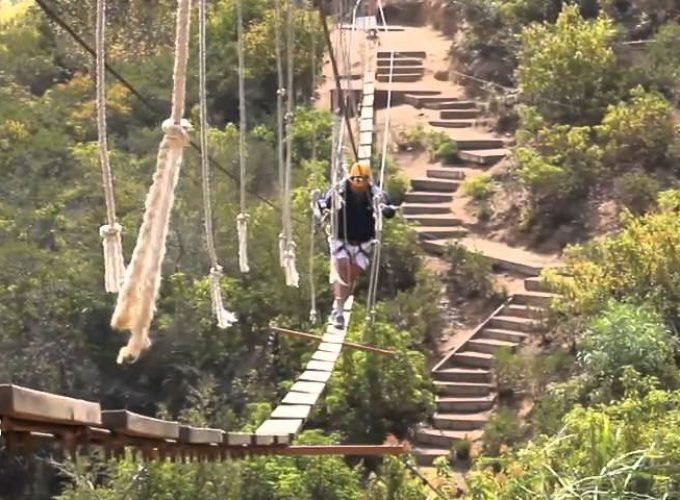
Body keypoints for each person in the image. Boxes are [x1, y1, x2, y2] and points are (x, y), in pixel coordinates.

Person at [315, 162, 396, 329]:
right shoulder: (339, 189)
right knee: (343, 269)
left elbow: (387, 206)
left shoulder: (374, 193)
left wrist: (386, 209)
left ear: (367, 181)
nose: (358, 188)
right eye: (355, 184)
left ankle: (339, 308)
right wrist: (321, 208)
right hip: (340, 240)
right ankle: (338, 313)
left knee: (351, 277)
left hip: (363, 243)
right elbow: (325, 202)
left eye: (362, 184)